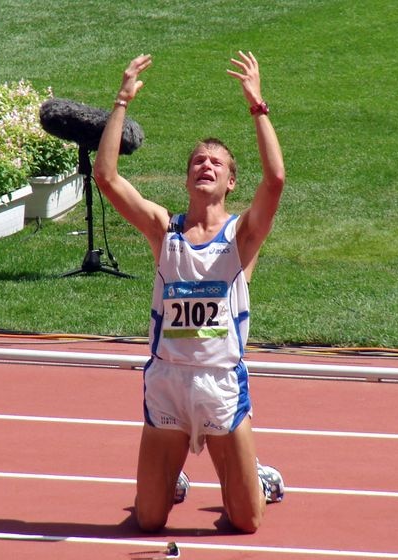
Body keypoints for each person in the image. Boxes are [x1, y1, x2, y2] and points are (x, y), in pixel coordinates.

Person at [93, 51, 286, 534]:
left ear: (230, 180)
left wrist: (257, 105)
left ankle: (255, 477)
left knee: (246, 522)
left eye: (216, 162)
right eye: (198, 161)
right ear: (187, 177)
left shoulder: (243, 238)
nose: (206, 165)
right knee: (149, 520)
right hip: (168, 382)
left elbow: (277, 179)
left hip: (221, 383)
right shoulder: (165, 230)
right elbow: (107, 178)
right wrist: (122, 101)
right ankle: (171, 477)